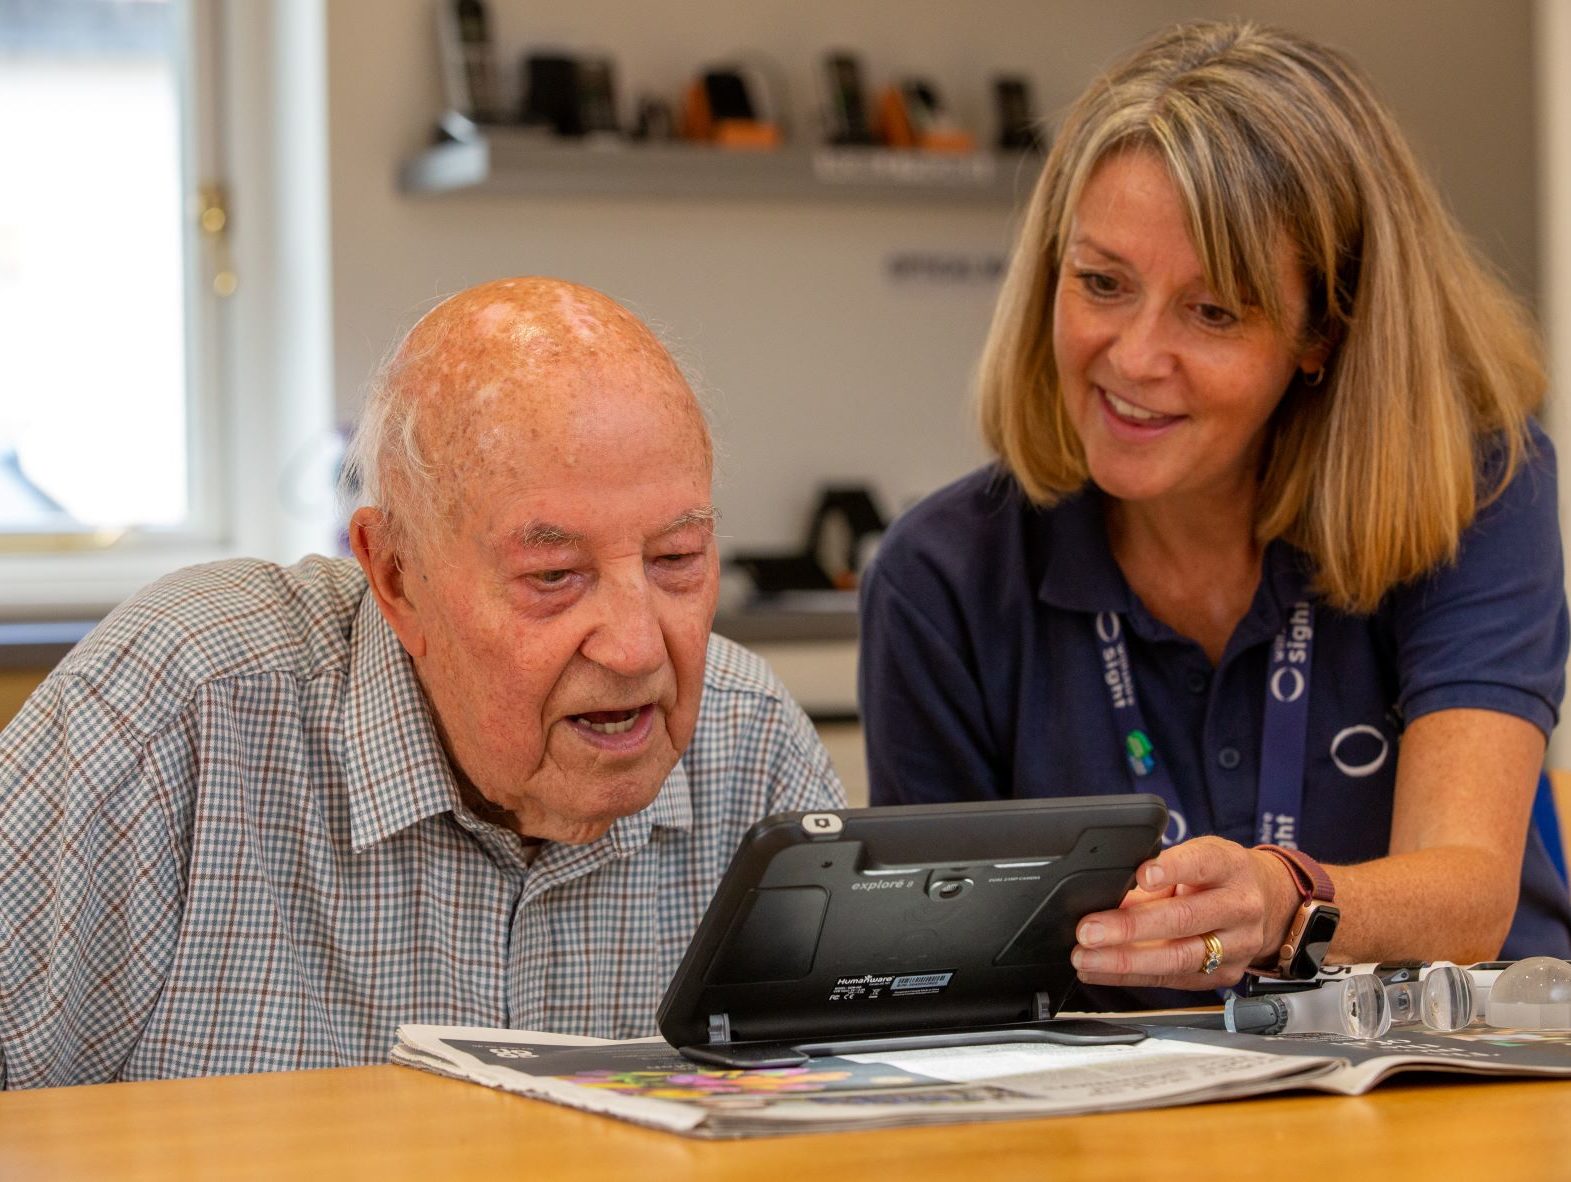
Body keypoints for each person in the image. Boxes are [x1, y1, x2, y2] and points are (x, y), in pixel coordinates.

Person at [859, 21, 1571, 1010]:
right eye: (1101, 283)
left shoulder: (1474, 488)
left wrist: (1282, 907)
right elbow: (933, 980)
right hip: (1118, 1133)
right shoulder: (939, 577)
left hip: (1449, 1097)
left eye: (1212, 312)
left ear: (1322, 329)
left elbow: (1464, 893)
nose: (1134, 358)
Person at [0, 277, 844, 1088]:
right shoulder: (183, 708)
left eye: (676, 560)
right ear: (397, 576)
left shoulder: (753, 749)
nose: (633, 649)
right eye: (553, 575)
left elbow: (853, 1129)